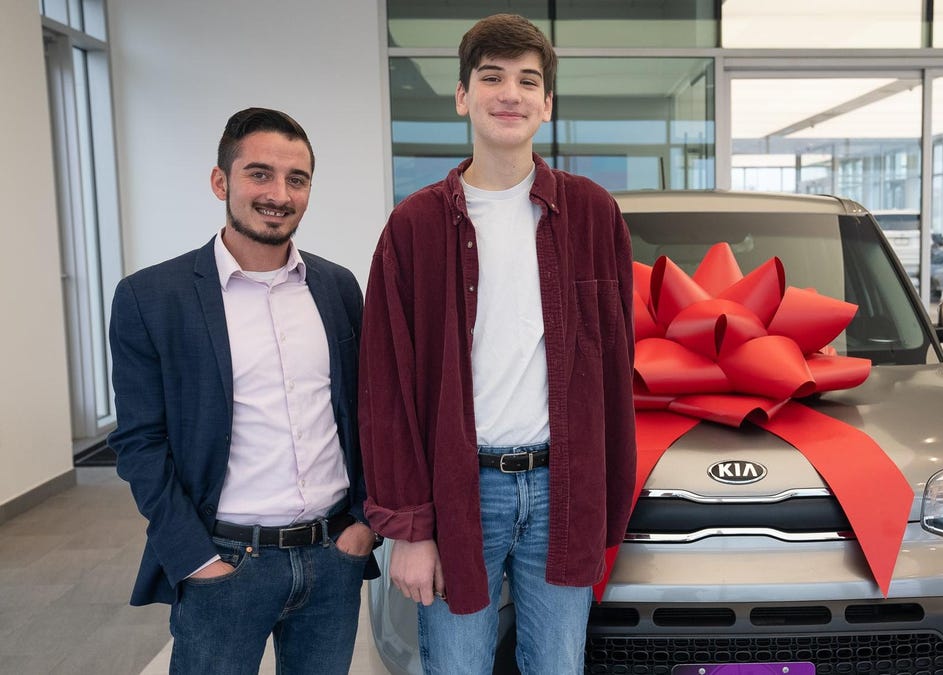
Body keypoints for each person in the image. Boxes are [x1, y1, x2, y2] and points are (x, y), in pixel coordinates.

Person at [358, 13, 637, 674]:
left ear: (547, 103)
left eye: (527, 81)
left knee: (559, 666)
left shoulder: (593, 214)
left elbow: (616, 369)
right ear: (462, 96)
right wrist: (411, 529)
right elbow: (386, 388)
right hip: (461, 492)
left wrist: (604, 504)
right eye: (491, 78)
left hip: (563, 489)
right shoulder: (414, 227)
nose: (510, 93)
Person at [108, 107, 380, 674]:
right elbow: (139, 443)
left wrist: (363, 526)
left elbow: (368, 415)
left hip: (332, 558)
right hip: (225, 562)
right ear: (220, 181)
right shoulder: (151, 297)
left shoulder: (337, 286)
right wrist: (195, 560)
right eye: (260, 174)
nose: (279, 194)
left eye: (297, 179)